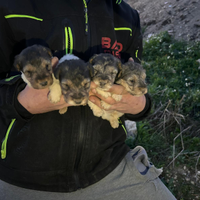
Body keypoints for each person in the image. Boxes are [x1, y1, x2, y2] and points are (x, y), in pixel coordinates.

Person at [0, 0, 176, 199]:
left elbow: (134, 79)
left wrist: (141, 105)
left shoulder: (127, 16)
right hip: (22, 177)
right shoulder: (10, 7)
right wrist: (20, 102)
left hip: (111, 168)